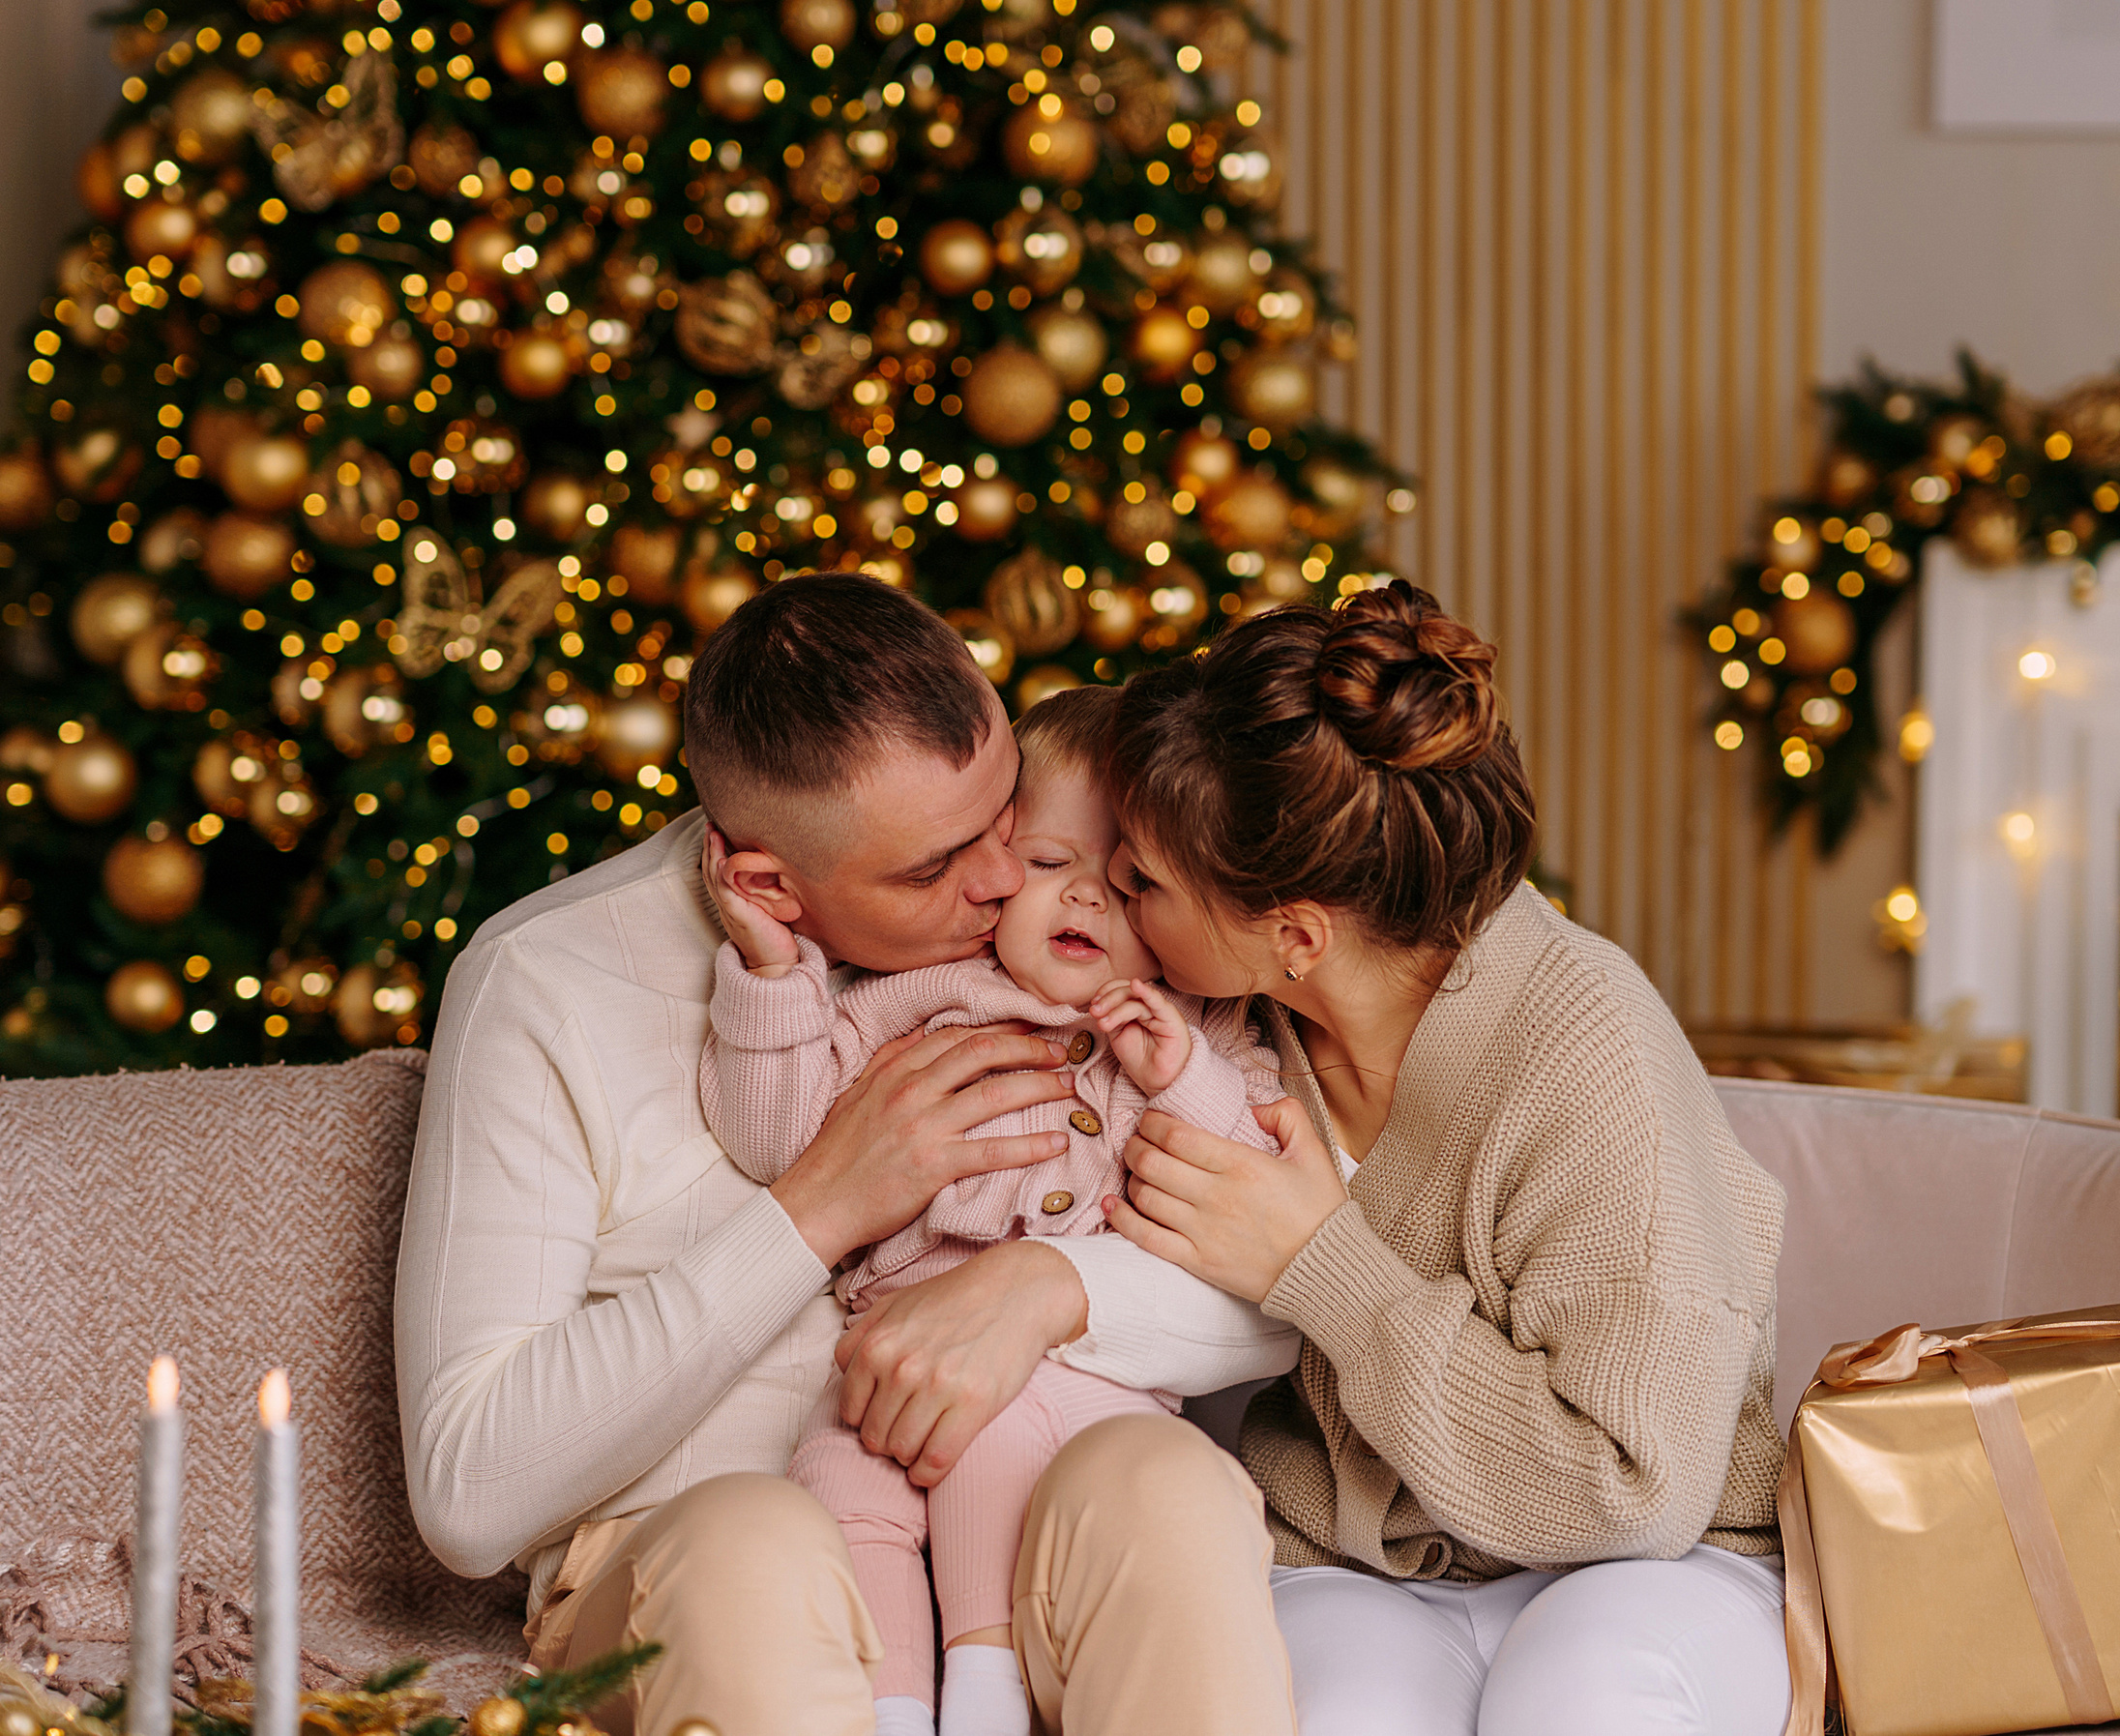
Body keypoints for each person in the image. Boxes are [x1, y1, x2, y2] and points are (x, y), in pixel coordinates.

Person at [394, 574, 1298, 1736]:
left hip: (1023, 1513)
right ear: (768, 882)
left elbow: (1294, 1278)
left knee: (1167, 1488)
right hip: (698, 1554)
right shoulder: (547, 982)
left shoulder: (1108, 929)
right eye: (930, 869)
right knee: (755, 1545)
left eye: (1001, 823)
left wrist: (1045, 1288)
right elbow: (470, 1490)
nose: (995, 885)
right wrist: (819, 1206)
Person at [1096, 580, 1791, 1736]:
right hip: (1358, 1566)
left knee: (1583, 1702)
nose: (1111, 897)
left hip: (1656, 1563)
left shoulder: (1584, 1043)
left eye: (1144, 882)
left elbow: (1636, 1484)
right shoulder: (1214, 1032)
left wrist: (1321, 1265)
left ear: (1295, 935)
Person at [699, 683, 1288, 1736]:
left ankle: (986, 1691)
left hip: (1094, 1382)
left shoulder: (1198, 1030)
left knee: (1007, 1453)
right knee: (836, 1492)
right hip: (891, 1353)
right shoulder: (923, 996)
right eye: (1049, 864)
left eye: (1125, 884)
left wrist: (1182, 1073)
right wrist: (772, 976)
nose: (1083, 902)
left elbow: (1254, 1196)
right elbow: (773, 1134)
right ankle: (888, 1706)